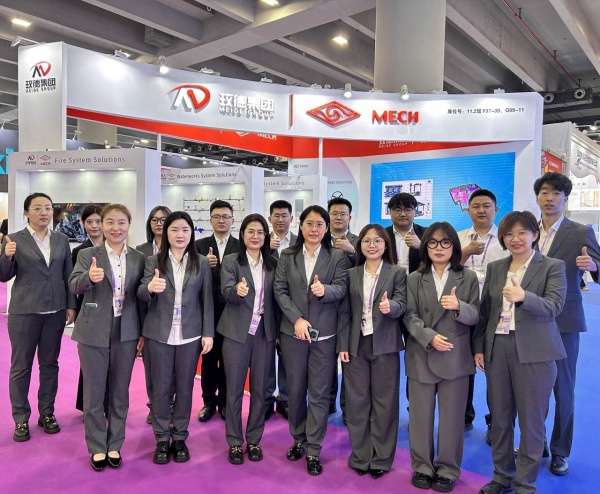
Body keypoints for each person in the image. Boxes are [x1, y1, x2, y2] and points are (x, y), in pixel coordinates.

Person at [473, 211, 567, 494]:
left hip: (536, 351)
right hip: (498, 347)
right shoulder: (496, 267)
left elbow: (554, 306)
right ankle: (502, 476)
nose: (515, 239)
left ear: (534, 235)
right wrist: (479, 348)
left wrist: (524, 297)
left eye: (522, 233)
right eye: (509, 234)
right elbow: (485, 311)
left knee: (531, 421)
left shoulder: (552, 266)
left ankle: (525, 482)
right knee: (500, 418)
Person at [274, 205, 350, 476]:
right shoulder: (287, 255)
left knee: (318, 394)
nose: (314, 229)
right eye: (309, 223)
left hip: (324, 336)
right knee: (295, 391)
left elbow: (342, 288)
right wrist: (296, 319)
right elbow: (279, 290)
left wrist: (324, 290)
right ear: (301, 226)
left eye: (319, 224)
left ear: (327, 228)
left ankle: (314, 448)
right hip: (294, 334)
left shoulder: (337, 256)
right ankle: (298, 439)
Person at [403, 222, 480, 493]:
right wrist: (428, 336)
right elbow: (409, 316)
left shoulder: (468, 277)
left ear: (454, 246)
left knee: (452, 419)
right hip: (421, 353)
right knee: (420, 418)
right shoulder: (414, 278)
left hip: (455, 356)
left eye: (445, 242)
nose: (439, 248)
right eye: (433, 243)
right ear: (425, 247)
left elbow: (476, 315)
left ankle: (447, 469)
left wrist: (460, 307)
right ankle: (422, 466)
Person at [69, 204, 146, 471]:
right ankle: (97, 447)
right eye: (110, 222)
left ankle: (115, 444)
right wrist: (89, 278)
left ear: (129, 225)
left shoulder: (139, 258)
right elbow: (73, 284)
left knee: (119, 392)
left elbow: (141, 298)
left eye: (121, 222)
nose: (116, 228)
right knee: (94, 392)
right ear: (101, 225)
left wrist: (142, 332)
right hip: (93, 329)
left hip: (127, 330)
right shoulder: (87, 254)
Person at [533, 172, 600, 476]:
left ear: (565, 198)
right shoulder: (528, 230)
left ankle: (560, 450)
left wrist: (594, 267)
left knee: (563, 388)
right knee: (534, 387)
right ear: (537, 197)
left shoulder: (581, 232)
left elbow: (599, 267)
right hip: (530, 319)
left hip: (565, 320)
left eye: (556, 193)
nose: (550, 198)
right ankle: (537, 442)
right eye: (545, 192)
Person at [138, 211, 214, 465]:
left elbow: (206, 299)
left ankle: (180, 436)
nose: (180, 235)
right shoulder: (153, 261)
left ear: (191, 233)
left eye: (185, 230)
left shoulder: (200, 262)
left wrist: (208, 332)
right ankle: (161, 437)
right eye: (174, 230)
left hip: (189, 335)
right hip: (159, 334)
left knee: (184, 388)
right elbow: (140, 292)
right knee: (159, 389)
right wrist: (149, 289)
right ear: (165, 232)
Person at [0, 192, 77, 442]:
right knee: (21, 367)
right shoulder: (14, 239)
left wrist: (70, 305)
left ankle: (47, 413)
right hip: (24, 312)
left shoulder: (61, 239)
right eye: (37, 208)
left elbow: (67, 274)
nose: (44, 212)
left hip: (55, 313)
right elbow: (3, 275)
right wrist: (6, 256)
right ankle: (21, 418)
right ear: (26, 212)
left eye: (48, 207)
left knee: (50, 364)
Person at [337, 224, 406, 479]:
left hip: (385, 344)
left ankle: (382, 458)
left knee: (384, 404)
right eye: (367, 240)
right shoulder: (351, 274)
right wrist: (343, 345)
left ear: (386, 245)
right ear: (360, 245)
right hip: (356, 345)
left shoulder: (397, 273)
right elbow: (344, 312)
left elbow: (403, 303)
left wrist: (392, 307)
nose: (372, 245)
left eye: (377, 240)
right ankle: (360, 455)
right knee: (357, 402)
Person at [218, 214, 279, 465]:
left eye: (260, 232)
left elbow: (278, 298)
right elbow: (225, 291)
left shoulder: (273, 263)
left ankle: (254, 439)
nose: (255, 236)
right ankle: (234, 441)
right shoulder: (231, 260)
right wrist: (237, 291)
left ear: (266, 236)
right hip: (236, 333)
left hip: (264, 333)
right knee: (233, 389)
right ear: (242, 234)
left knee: (260, 390)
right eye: (250, 231)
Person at [457, 190, 508, 436]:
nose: (481, 210)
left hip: (494, 312)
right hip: (463, 310)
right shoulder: (458, 238)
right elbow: (448, 267)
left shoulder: (506, 240)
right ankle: (464, 415)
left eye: (486, 205)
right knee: (462, 366)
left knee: (495, 369)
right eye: (475, 205)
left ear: (496, 210)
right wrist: (466, 251)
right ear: (467, 210)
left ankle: (494, 422)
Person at [195, 200, 240, 422]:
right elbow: (190, 276)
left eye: (226, 216)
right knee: (209, 361)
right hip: (207, 313)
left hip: (232, 313)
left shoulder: (241, 246)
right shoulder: (199, 246)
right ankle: (208, 402)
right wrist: (202, 264)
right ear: (210, 220)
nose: (221, 220)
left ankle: (224, 401)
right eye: (217, 217)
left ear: (232, 220)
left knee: (228, 361)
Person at [136, 205, 172, 425]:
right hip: (148, 315)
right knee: (151, 368)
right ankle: (154, 405)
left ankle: (171, 403)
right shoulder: (140, 251)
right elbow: (136, 287)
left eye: (164, 219)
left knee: (173, 368)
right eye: (155, 220)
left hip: (174, 317)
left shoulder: (179, 247)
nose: (159, 223)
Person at [71, 204, 104, 413]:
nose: (94, 226)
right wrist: (72, 308)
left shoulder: (116, 247)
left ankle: (107, 404)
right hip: (87, 310)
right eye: (89, 221)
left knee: (111, 362)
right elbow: (72, 282)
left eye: (98, 221)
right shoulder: (80, 251)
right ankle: (87, 406)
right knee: (89, 363)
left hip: (111, 311)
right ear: (83, 223)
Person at [265, 200, 296, 421]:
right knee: (266, 358)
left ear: (291, 218)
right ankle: (266, 399)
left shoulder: (299, 242)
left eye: (284, 215)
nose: (280, 219)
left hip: (290, 309)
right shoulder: (261, 241)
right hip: (266, 308)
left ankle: (285, 399)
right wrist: (267, 250)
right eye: (276, 215)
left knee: (287, 358)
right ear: (270, 219)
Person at [327, 197, 358, 420]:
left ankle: (348, 409)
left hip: (353, 308)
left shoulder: (359, 241)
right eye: (334, 213)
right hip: (326, 307)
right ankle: (327, 403)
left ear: (350, 217)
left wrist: (353, 252)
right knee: (326, 361)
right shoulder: (319, 239)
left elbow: (369, 267)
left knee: (350, 362)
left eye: (343, 214)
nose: (338, 217)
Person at [385, 192, 425, 272]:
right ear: (390, 212)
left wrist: (421, 246)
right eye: (397, 210)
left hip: (418, 278)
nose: (403, 214)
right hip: (389, 279)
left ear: (415, 211)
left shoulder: (426, 233)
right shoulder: (382, 234)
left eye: (407, 210)